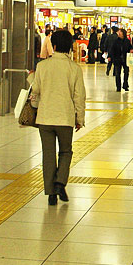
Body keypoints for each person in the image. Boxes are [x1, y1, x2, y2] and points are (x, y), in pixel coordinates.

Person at [32, 29, 85, 205]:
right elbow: (79, 96)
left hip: (45, 118)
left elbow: (35, 91)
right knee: (65, 151)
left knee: (48, 154)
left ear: (53, 46)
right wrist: (80, 118)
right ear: (70, 47)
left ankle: (50, 193)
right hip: (65, 117)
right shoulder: (74, 69)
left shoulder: (42, 66)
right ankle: (60, 183)